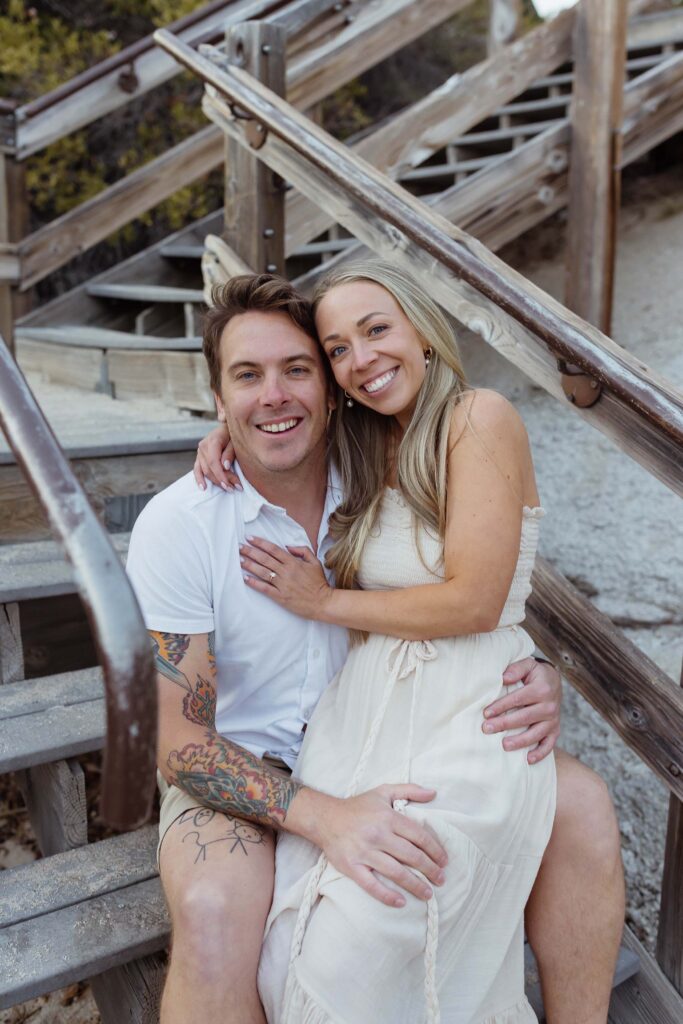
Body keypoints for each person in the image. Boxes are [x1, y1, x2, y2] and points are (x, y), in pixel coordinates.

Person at [127, 272, 623, 1024]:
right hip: (244, 763)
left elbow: (470, 575)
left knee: (581, 804)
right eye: (247, 378)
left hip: (391, 731)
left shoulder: (366, 464)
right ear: (217, 396)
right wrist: (325, 816)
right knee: (214, 907)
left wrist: (533, 668)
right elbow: (180, 743)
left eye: (297, 370)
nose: (275, 395)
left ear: (329, 390)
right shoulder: (183, 523)